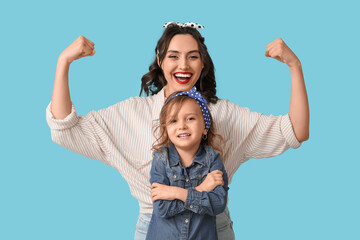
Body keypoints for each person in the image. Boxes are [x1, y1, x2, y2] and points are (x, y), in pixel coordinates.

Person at [46, 22, 309, 239]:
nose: (183, 65)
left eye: (192, 57)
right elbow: (65, 129)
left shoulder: (223, 114)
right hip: (156, 226)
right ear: (160, 60)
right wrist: (64, 62)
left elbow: (295, 130)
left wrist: (294, 66)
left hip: (213, 227)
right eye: (173, 56)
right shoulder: (131, 113)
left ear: (203, 64)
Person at [147, 87, 228, 240]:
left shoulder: (213, 159)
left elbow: (218, 204)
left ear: (205, 127)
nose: (182, 126)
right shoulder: (161, 159)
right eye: (173, 120)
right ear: (167, 128)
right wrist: (201, 189)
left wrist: (175, 193)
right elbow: (162, 208)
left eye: (190, 118)